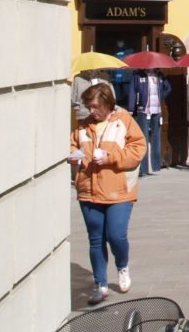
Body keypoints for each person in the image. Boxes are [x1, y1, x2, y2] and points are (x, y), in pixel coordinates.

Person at [69, 83, 147, 305]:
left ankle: (122, 266)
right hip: (89, 190)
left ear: (107, 104)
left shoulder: (124, 121)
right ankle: (100, 284)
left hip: (118, 190)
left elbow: (138, 149)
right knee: (96, 239)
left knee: (116, 235)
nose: (91, 111)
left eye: (95, 106)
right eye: (89, 106)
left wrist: (110, 157)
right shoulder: (83, 125)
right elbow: (72, 145)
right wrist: (74, 156)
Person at [126, 68, 171, 176]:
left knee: (156, 138)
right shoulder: (138, 76)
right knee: (143, 139)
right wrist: (131, 108)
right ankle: (143, 169)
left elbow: (168, 88)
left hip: (157, 111)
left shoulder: (160, 75)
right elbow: (132, 92)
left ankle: (156, 166)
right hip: (143, 111)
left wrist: (160, 96)